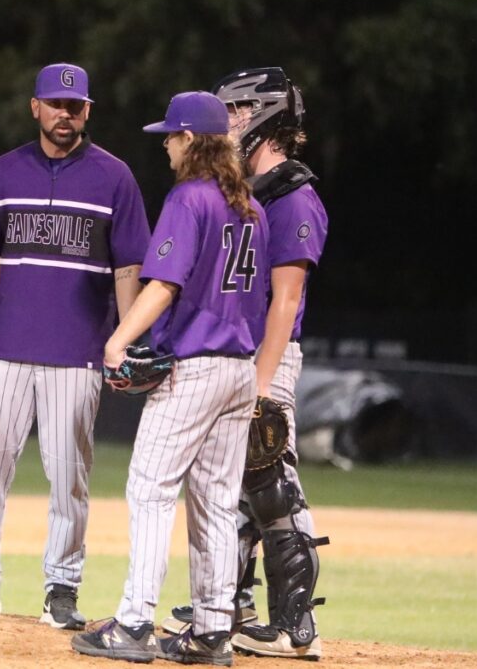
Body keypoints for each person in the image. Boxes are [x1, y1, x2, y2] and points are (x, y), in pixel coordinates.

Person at [0, 63, 151, 630]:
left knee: (69, 474)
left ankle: (62, 586)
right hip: (4, 347)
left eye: (74, 107)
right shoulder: (5, 172)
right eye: (54, 104)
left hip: (78, 353)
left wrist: (124, 340)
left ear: (87, 112)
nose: (64, 114)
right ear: (35, 107)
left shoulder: (115, 178)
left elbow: (129, 268)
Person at [71, 91, 269, 666]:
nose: (165, 142)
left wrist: (118, 340)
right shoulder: (249, 207)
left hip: (198, 366)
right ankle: (211, 631)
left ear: (191, 141)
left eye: (172, 134)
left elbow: (162, 285)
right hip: (240, 370)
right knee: (213, 500)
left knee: (151, 488)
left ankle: (133, 623)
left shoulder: (191, 198)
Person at [160, 67, 330, 661]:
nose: (226, 123)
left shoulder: (294, 196)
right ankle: (231, 607)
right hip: (234, 355)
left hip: (267, 356)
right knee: (228, 488)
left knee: (271, 484)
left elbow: (286, 299)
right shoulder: (247, 192)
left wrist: (262, 380)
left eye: (235, 111)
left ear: (262, 115)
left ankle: (295, 624)